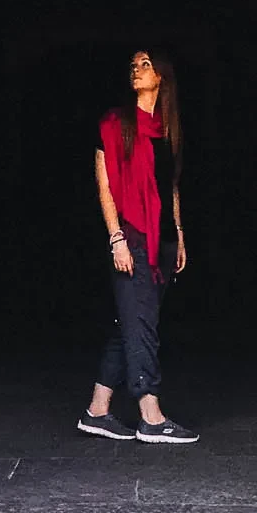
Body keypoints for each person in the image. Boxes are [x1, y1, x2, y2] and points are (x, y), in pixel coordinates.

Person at [78, 49, 198, 445]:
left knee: (130, 323)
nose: (136, 69)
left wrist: (178, 234)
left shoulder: (169, 130)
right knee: (141, 324)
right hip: (130, 236)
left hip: (161, 239)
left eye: (145, 64)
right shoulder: (115, 124)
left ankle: (98, 411)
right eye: (133, 64)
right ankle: (150, 413)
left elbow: (172, 187)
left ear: (162, 76)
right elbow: (105, 184)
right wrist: (116, 239)